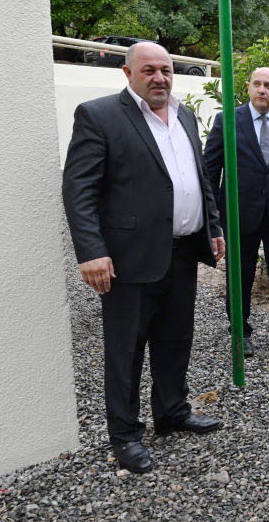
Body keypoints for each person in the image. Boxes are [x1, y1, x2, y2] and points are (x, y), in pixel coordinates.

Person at [62, 42, 226, 474]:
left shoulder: (184, 114)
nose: (159, 78)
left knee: (176, 339)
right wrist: (92, 252)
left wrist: (212, 226)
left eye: (166, 70)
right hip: (129, 258)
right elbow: (79, 191)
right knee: (126, 350)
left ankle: (172, 411)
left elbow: (198, 178)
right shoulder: (99, 116)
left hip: (182, 252)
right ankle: (125, 435)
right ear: (127, 73)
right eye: (149, 70)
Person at [204, 67, 269, 356]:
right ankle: (240, 331)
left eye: (268, 85)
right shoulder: (228, 120)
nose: (262, 89)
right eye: (257, 83)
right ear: (248, 88)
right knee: (240, 274)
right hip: (239, 212)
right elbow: (210, 167)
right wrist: (212, 209)